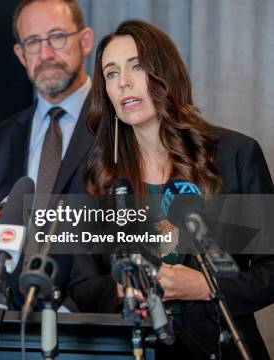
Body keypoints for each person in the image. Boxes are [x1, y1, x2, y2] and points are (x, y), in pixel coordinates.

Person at [69, 19, 274, 358]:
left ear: (165, 74)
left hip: (220, 348)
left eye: (137, 66)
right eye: (111, 73)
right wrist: (123, 288)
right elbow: (81, 285)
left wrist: (207, 286)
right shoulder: (98, 175)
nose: (124, 83)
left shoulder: (234, 154)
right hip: (133, 349)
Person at [0, 0, 95, 307]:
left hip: (91, 323)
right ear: (21, 55)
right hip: (10, 325)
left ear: (85, 41)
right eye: (33, 43)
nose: (46, 53)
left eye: (57, 37)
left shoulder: (120, 128)